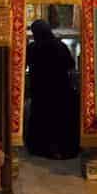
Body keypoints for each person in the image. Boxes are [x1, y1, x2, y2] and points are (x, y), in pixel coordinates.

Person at [25, 19, 79, 159]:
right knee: (60, 120)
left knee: (42, 120)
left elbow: (23, 65)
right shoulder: (60, 45)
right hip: (60, 90)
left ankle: (42, 149)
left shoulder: (32, 47)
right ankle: (62, 150)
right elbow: (70, 64)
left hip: (41, 91)